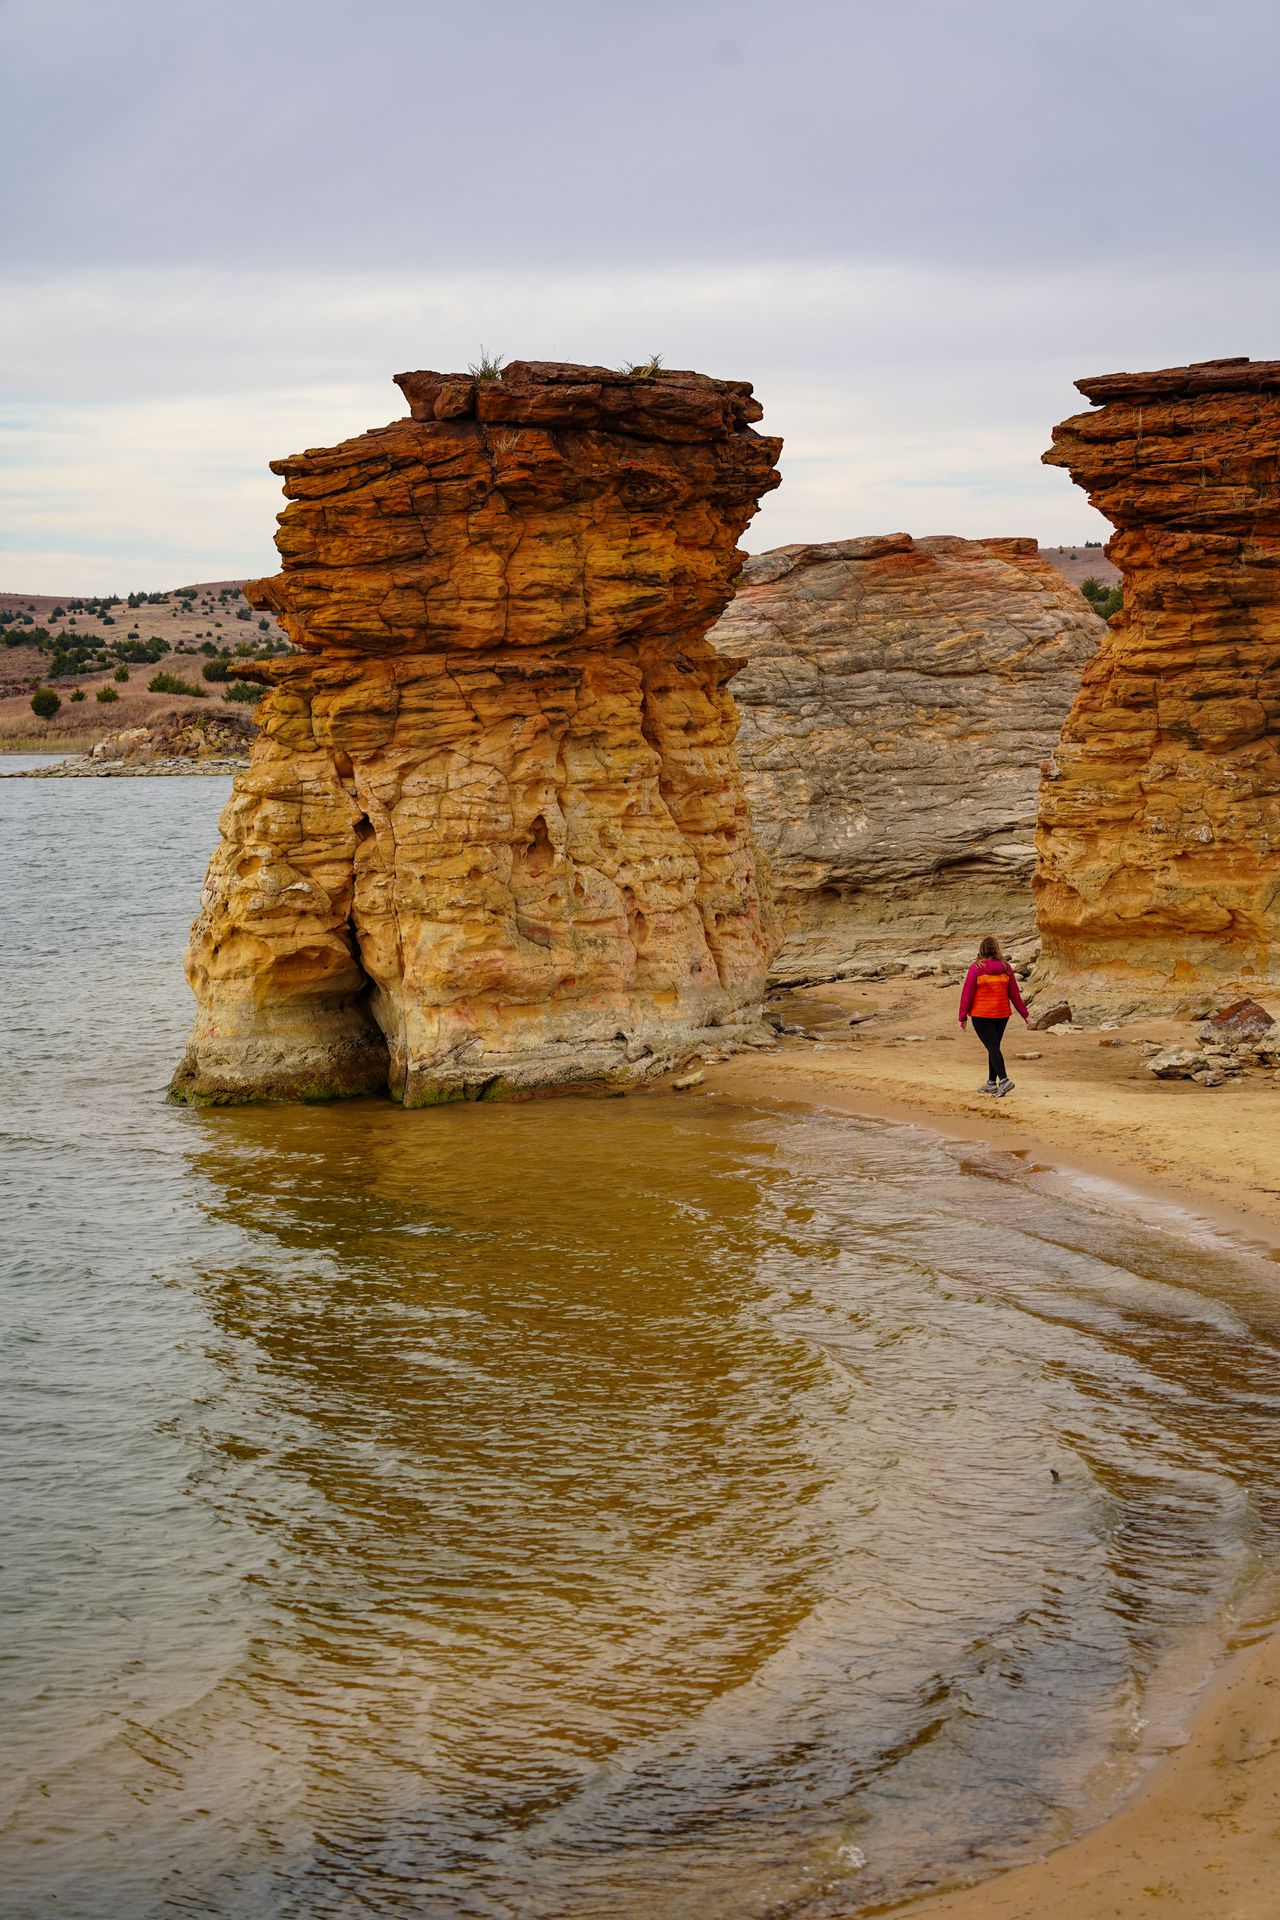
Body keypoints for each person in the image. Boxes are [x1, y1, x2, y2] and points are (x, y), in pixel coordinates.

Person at [958, 935, 1029, 1096]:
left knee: (993, 1047)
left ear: (981, 950)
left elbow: (967, 994)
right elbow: (1014, 994)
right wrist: (1025, 1015)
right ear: (996, 949)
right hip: (1002, 1014)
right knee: (994, 1047)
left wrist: (962, 1017)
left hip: (981, 1015)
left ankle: (1004, 1080)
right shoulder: (1005, 967)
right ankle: (991, 1082)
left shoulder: (976, 968)